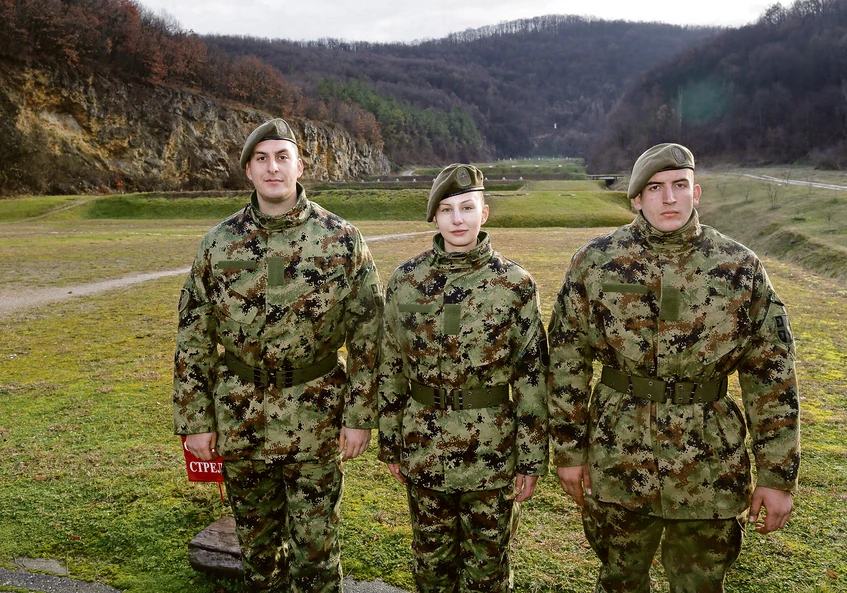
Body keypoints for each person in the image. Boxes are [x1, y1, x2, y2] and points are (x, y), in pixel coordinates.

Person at [548, 143, 800, 592]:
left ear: (696, 192)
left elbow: (771, 375)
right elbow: (567, 358)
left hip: (709, 464)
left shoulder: (739, 267)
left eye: (679, 186)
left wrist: (777, 475)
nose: (669, 199)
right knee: (620, 580)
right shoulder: (595, 261)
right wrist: (568, 449)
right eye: (655, 188)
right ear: (636, 199)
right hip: (618, 455)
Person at [173, 117, 383, 593]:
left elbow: (370, 335)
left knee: (316, 552)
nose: (273, 168)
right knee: (257, 554)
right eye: (262, 159)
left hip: (317, 414)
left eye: (282, 157)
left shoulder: (342, 238)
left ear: (300, 166)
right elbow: (194, 337)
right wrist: (196, 421)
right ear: (247, 170)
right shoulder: (218, 243)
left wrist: (359, 415)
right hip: (241, 416)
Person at [377, 163, 549, 592]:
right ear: (434, 217)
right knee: (431, 566)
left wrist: (531, 457)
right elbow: (391, 364)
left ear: (484, 213)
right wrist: (390, 441)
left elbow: (532, 377)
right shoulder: (406, 282)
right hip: (424, 446)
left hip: (491, 451)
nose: (458, 219)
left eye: (467, 208)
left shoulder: (514, 284)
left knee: (488, 570)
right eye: (448, 209)